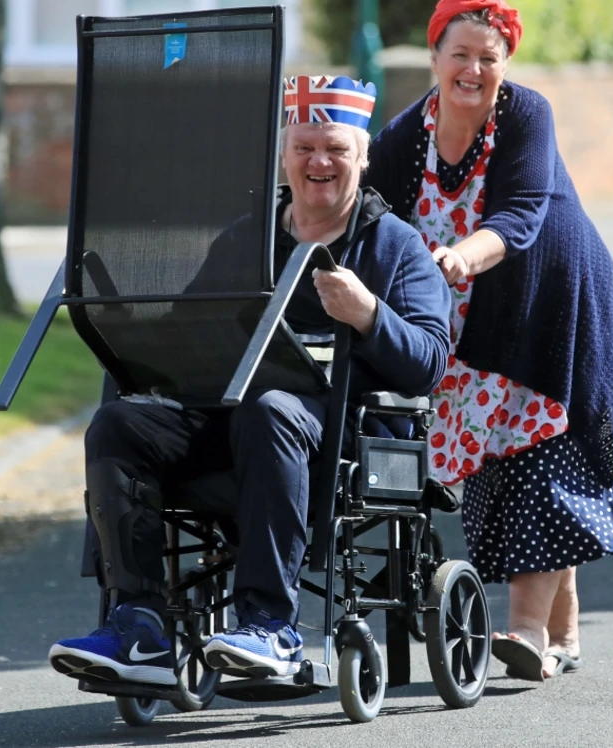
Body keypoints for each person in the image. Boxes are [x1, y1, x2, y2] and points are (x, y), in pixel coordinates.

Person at [47, 75, 450, 685]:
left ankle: (270, 626)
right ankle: (140, 627)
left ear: (363, 158)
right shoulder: (246, 238)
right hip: (227, 423)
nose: (319, 161)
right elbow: (187, 334)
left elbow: (428, 361)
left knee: (272, 408)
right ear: (284, 155)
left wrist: (368, 313)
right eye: (305, 146)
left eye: (337, 149)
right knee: (120, 423)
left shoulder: (395, 247)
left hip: (336, 438)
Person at [364, 0, 613, 681]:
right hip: (473, 328)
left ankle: (522, 635)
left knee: (541, 461)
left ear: (504, 66)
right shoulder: (404, 138)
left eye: (489, 58)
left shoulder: (526, 114)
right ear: (435, 57)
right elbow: (366, 212)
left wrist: (461, 255)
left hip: (552, 308)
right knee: (497, 461)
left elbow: (518, 214)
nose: (474, 69)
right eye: (461, 54)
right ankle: (562, 630)